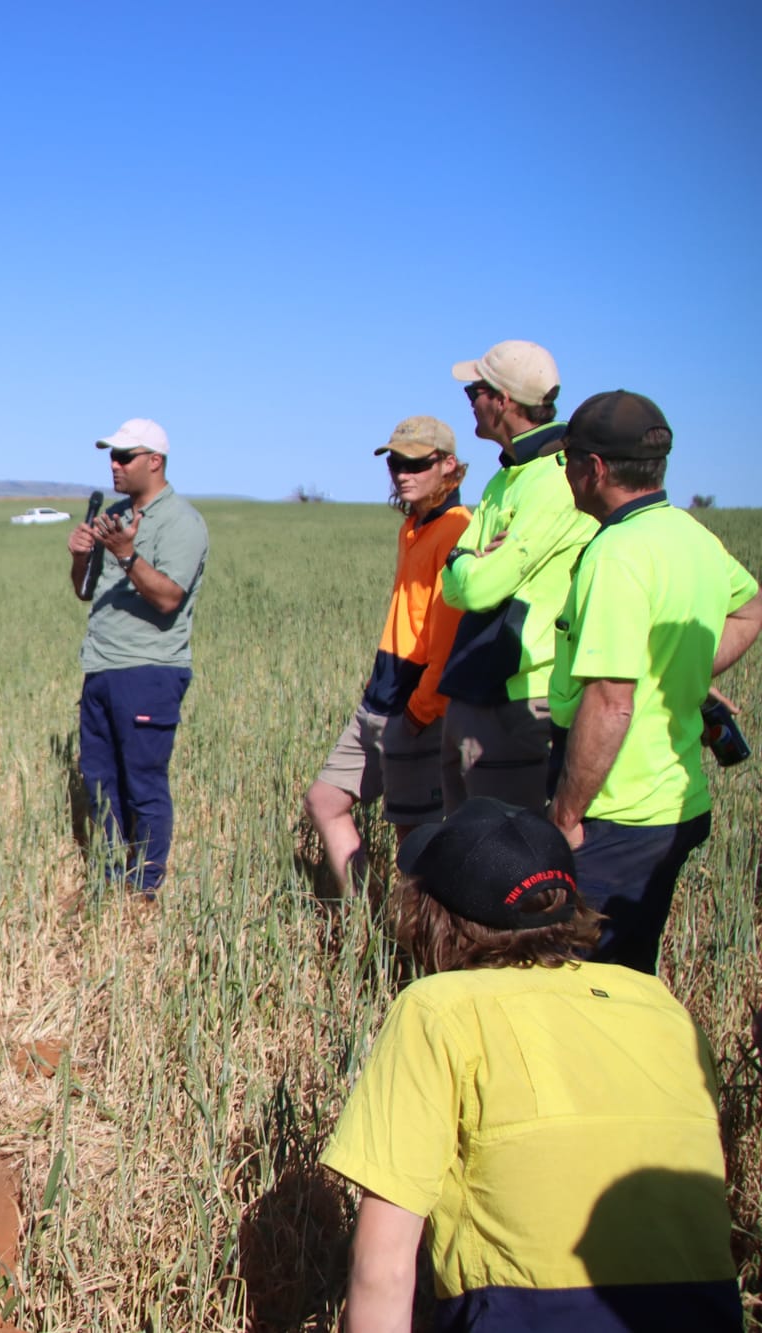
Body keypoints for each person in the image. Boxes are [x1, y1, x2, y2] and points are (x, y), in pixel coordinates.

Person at [322, 797, 740, 1331]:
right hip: (702, 1310)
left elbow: (383, 1263)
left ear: (434, 913)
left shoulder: (438, 1008)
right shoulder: (659, 1002)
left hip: (528, 1314)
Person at [546, 390, 760, 972]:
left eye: (566, 462)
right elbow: (749, 608)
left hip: (620, 814)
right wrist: (679, 669)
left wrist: (566, 818)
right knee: (632, 971)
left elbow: (611, 704)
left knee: (585, 984)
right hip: (678, 804)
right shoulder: (690, 536)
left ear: (592, 468)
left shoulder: (616, 554)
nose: (564, 475)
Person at [304, 418, 469, 895]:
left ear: (449, 466)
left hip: (415, 705)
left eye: (417, 463)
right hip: (380, 697)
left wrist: (420, 712)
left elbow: (448, 638)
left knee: (414, 843)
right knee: (324, 800)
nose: (402, 472)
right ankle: (373, 918)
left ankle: (413, 949)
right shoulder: (414, 527)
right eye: (396, 461)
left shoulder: (457, 529)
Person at [437, 340, 596, 813]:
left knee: (509, 864)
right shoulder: (504, 478)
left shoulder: (554, 479)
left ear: (502, 400)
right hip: (476, 687)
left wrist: (466, 562)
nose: (469, 400)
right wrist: (467, 562)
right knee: (462, 857)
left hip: (525, 693)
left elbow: (477, 584)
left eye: (474, 392)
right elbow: (457, 585)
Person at [66, 420, 209, 897]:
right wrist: (82, 556)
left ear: (155, 461)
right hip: (101, 666)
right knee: (100, 781)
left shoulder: (181, 522)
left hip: (150, 669)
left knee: (142, 784)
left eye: (125, 456)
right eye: (111, 455)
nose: (114, 464)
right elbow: (86, 593)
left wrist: (127, 555)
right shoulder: (114, 514)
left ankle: (144, 887)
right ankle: (109, 880)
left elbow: (168, 598)